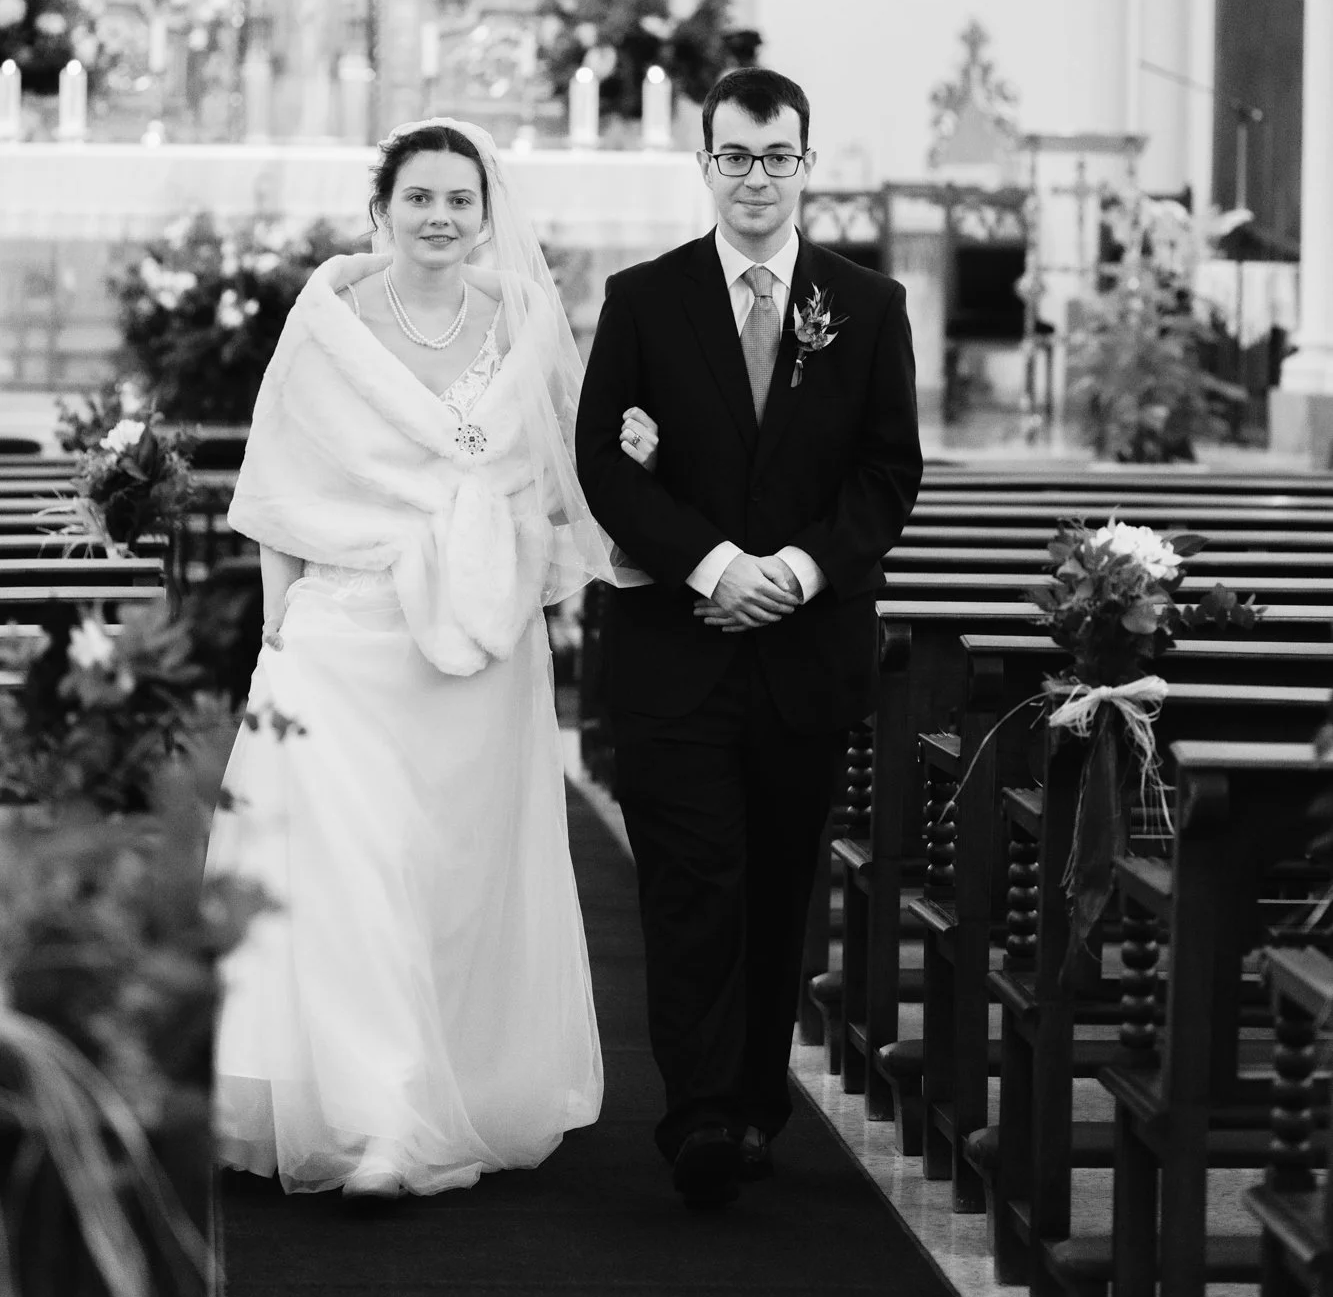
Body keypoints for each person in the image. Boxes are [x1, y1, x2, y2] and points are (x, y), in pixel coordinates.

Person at [206, 118, 613, 1198]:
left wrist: (528, 587)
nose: (440, 215)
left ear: (487, 215)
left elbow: (548, 476)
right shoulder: (329, 321)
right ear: (381, 207)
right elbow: (280, 477)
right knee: (348, 865)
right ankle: (373, 1115)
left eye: (460, 198)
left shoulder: (522, 322)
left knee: (453, 870)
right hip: (346, 624)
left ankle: (453, 1079)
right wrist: (275, 622)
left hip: (475, 633)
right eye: (419, 196)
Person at [575, 67, 922, 1209]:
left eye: (778, 157)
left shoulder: (867, 306)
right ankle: (699, 1113)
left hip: (803, 652)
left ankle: (757, 1099)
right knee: (688, 884)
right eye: (735, 156)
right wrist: (718, 565)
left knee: (777, 887)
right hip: (675, 647)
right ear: (706, 164)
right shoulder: (643, 297)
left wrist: (798, 571)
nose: (757, 178)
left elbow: (886, 472)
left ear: (807, 162)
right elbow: (600, 465)